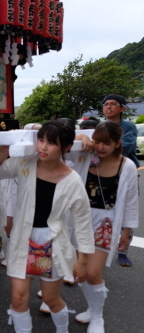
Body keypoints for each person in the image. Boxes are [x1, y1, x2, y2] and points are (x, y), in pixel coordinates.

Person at [0, 120, 95, 333]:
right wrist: (6, 149)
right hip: (23, 239)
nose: (42, 147)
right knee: (17, 298)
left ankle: (62, 330)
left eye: (51, 143)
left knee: (51, 299)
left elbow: (83, 223)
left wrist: (83, 260)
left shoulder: (72, 180)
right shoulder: (25, 164)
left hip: (51, 244)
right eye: (40, 140)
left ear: (66, 148)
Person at [74, 121, 138, 332]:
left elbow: (130, 200)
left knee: (92, 273)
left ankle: (98, 316)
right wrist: (81, 137)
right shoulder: (86, 158)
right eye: (97, 142)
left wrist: (127, 231)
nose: (100, 147)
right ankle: (93, 307)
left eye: (106, 143)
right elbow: (61, 143)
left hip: (106, 224)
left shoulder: (126, 165)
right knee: (79, 272)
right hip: (80, 221)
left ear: (117, 143)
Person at [101, 94, 138, 267]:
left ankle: (123, 250)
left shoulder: (129, 126)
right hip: (103, 172)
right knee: (103, 209)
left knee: (126, 210)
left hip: (124, 172)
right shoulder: (99, 126)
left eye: (113, 104)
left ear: (122, 109)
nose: (108, 107)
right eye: (106, 104)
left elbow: (127, 146)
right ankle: (101, 246)